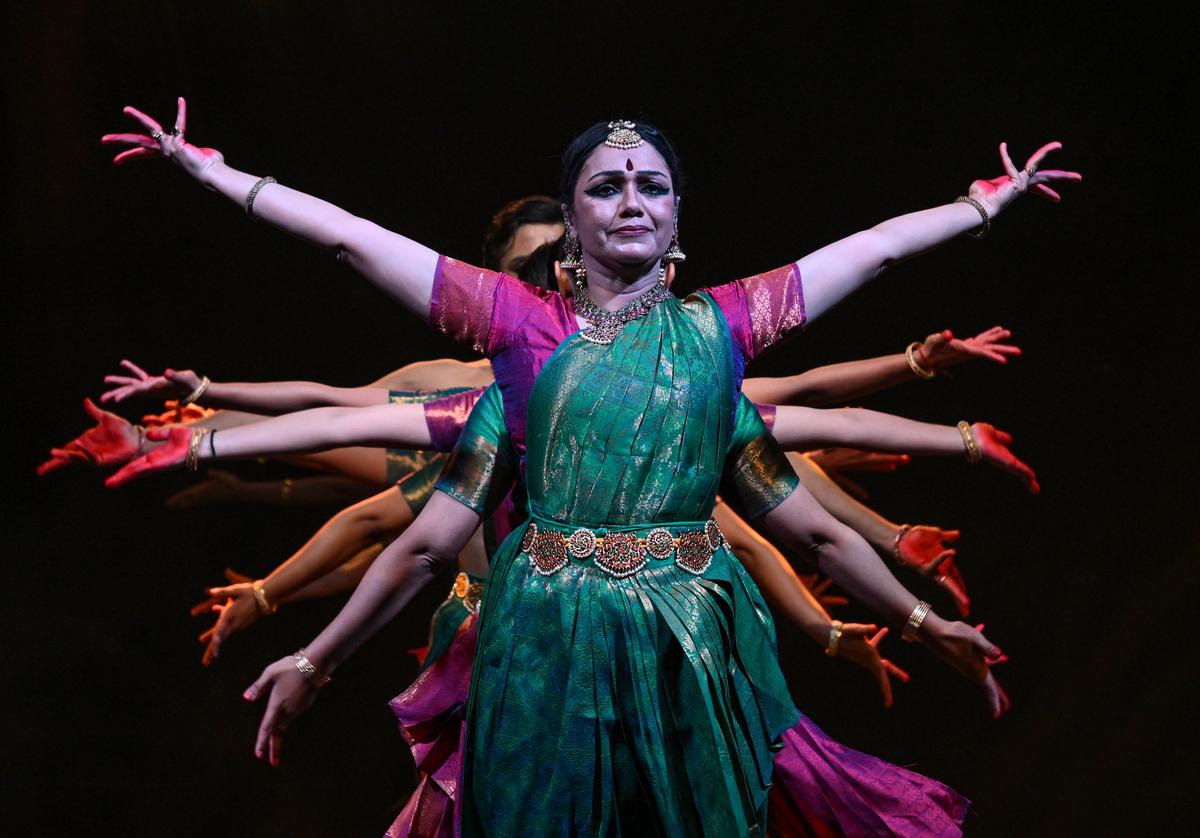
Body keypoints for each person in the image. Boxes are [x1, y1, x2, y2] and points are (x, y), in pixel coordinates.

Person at [103, 102, 1078, 833]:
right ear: (572, 222)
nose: (631, 199)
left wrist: (979, 206)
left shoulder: (721, 331)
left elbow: (866, 268)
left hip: (693, 637)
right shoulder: (519, 333)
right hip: (544, 636)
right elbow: (357, 254)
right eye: (606, 186)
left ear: (678, 215)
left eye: (651, 184)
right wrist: (220, 177)